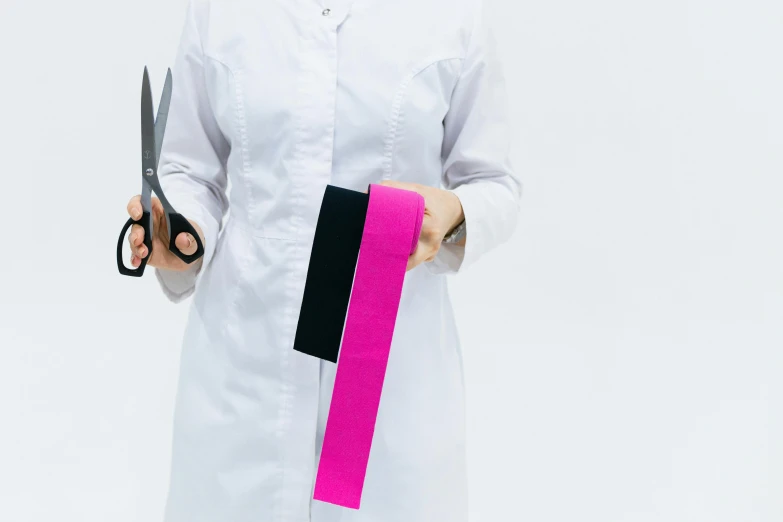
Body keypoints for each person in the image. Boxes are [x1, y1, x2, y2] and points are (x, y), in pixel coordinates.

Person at [124, 0, 520, 520]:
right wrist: (181, 228)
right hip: (241, 379)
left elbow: (495, 183)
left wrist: (454, 211)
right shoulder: (219, 11)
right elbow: (188, 168)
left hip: (390, 385)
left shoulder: (453, 15)